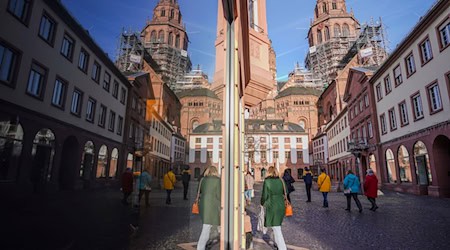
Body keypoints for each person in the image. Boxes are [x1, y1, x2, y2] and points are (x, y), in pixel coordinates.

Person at [261, 166, 287, 250]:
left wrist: (262, 203)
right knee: (276, 225)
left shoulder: (267, 181)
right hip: (281, 205)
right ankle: (277, 243)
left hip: (272, 205)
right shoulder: (281, 180)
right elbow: (286, 191)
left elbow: (264, 195)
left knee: (276, 227)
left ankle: (282, 247)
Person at [197, 166, 221, 250]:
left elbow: (198, 191)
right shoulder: (217, 180)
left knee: (208, 226)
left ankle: (206, 245)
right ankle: (200, 247)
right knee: (207, 229)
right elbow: (219, 195)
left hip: (204, 206)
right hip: (213, 207)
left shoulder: (203, 180)